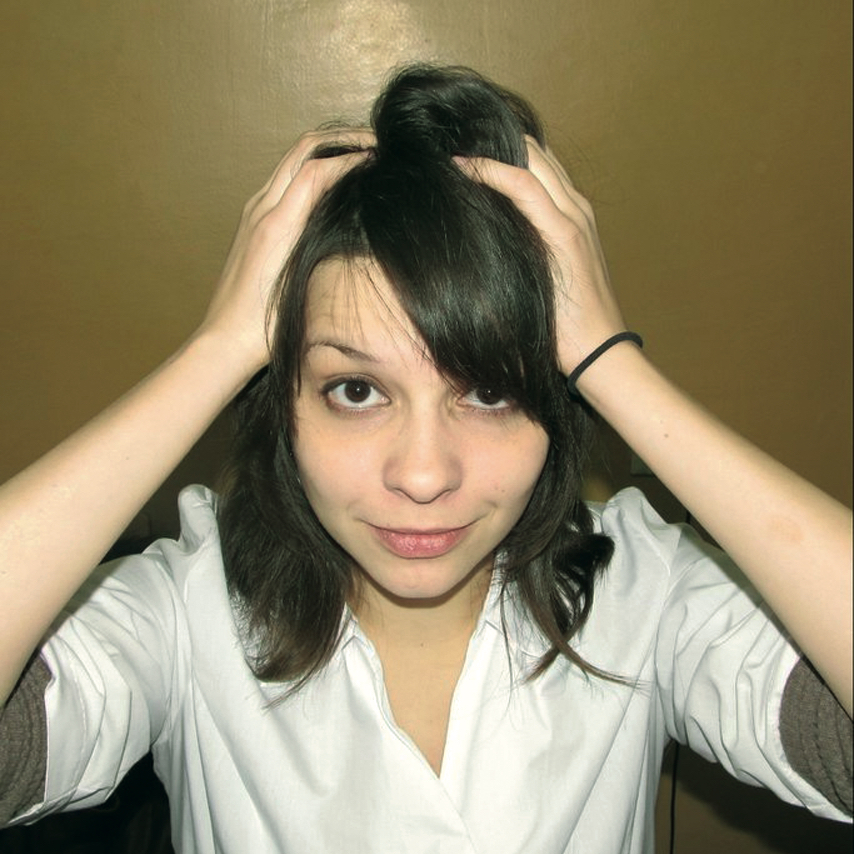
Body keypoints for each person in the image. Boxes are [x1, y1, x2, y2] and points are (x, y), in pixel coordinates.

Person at [0, 64, 850, 853]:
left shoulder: (650, 595)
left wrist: (608, 361)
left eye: (490, 390)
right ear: (283, 403)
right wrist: (217, 351)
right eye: (355, 390)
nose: (423, 475)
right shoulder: (184, 613)